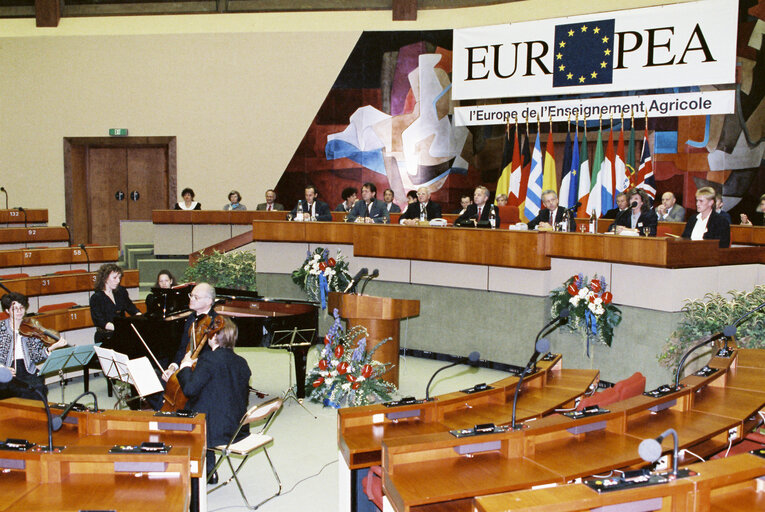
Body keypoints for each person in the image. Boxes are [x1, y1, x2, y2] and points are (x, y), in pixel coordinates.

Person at [176, 316, 251, 481]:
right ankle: (210, 469)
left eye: (210, 333)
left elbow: (189, 389)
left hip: (214, 431)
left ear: (215, 336)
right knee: (210, 405)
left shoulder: (209, 359)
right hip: (237, 428)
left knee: (182, 412)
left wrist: (185, 367)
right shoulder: (242, 362)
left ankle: (199, 469)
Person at [0, 292, 68, 400]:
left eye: (21, 308)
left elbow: (36, 356)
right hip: (6, 369)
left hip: (27, 369)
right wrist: (2, 368)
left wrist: (52, 347)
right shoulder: (1, 328)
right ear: (7, 311)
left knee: (38, 388)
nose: (19, 311)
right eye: (14, 309)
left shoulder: (31, 328)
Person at [163, 282, 218, 380]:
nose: (191, 299)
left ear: (209, 301)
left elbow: (215, 356)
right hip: (187, 368)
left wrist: (191, 364)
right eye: (191, 295)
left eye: (196, 297)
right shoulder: (191, 318)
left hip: (205, 373)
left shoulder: (216, 321)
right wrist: (173, 367)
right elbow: (183, 347)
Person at [89, 263, 141, 344]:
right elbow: (99, 321)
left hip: (121, 333)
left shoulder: (121, 291)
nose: (118, 281)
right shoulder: (96, 298)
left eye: (119, 278)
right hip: (105, 336)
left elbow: (130, 307)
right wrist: (120, 327)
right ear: (105, 278)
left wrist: (139, 315)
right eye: (115, 278)